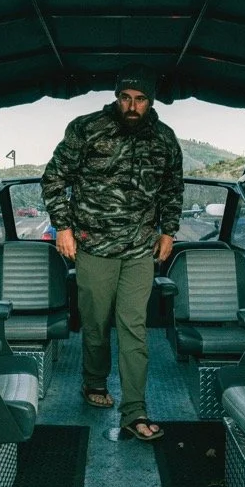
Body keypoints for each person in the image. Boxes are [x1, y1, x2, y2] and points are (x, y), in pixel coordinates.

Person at [42, 65, 183, 441]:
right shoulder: (86, 128)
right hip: (94, 245)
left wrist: (169, 231)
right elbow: (55, 177)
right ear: (117, 98)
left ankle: (134, 411)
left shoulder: (165, 139)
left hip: (140, 249)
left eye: (139, 100)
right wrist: (64, 228)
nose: (132, 106)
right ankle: (93, 381)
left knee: (134, 329)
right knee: (96, 323)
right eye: (126, 98)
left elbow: (172, 188)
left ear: (150, 101)